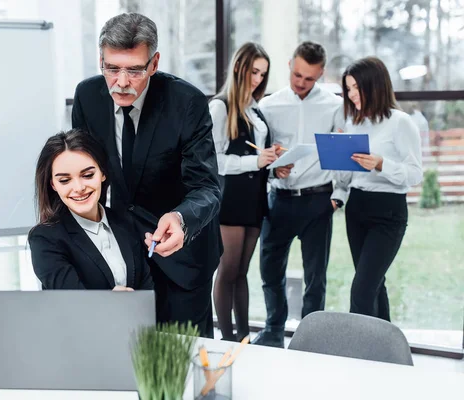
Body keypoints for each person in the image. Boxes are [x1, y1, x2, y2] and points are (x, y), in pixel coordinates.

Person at [71, 13, 222, 337]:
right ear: (100, 61)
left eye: (134, 70)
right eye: (112, 68)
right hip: (126, 254)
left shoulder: (188, 103)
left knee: (183, 362)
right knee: (130, 354)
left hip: (184, 255)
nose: (122, 82)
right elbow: (82, 173)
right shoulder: (87, 97)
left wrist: (181, 219)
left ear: (153, 64)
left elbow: (207, 186)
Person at [254, 41, 347, 347]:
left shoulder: (334, 106)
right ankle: (273, 329)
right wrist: (273, 167)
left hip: (318, 201)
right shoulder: (268, 106)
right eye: (297, 75)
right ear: (290, 64)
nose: (301, 83)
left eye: (309, 78)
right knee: (270, 270)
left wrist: (339, 195)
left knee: (315, 277)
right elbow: (261, 156)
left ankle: (311, 337)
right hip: (279, 199)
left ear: (320, 74)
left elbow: (343, 154)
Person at [340, 56, 422, 321]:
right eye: (348, 88)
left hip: (388, 213)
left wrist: (381, 164)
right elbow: (348, 175)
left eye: (356, 87)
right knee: (374, 286)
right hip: (357, 208)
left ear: (374, 86)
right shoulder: (355, 123)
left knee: (361, 291)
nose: (351, 94)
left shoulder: (401, 122)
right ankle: (383, 356)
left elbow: (414, 175)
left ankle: (357, 356)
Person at [209, 42, 277, 342]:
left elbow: (258, 155)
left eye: (263, 74)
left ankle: (244, 339)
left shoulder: (255, 108)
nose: (258, 79)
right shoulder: (220, 106)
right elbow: (215, 161)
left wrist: (275, 163)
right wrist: (256, 160)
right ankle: (227, 339)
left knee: (242, 273)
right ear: (238, 67)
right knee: (228, 269)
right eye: (254, 71)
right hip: (231, 198)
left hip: (255, 196)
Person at [28, 129, 153, 291]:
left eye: (87, 175)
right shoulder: (44, 239)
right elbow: (73, 303)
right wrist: (111, 302)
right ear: (53, 185)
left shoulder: (126, 221)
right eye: (65, 180)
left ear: (102, 173)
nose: (79, 188)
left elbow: (147, 290)